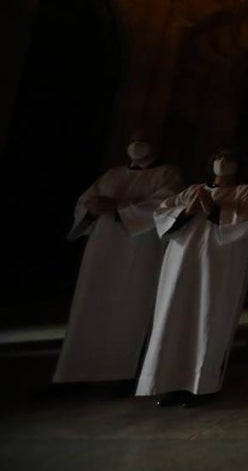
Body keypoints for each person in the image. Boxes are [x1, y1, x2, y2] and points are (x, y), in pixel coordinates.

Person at [53, 132, 183, 387]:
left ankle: (122, 372)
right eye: (133, 138)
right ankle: (75, 372)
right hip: (103, 246)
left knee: (131, 304)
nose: (137, 143)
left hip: (140, 247)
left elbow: (165, 205)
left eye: (142, 138)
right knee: (91, 302)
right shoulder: (113, 174)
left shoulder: (167, 174)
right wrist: (90, 209)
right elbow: (85, 202)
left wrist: (121, 209)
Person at [136, 148, 248, 406]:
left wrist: (213, 211)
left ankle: (202, 386)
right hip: (182, 265)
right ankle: (168, 384)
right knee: (174, 318)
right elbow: (163, 215)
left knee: (209, 319)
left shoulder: (245, 192)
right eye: (219, 156)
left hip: (219, 269)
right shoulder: (191, 190)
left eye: (230, 157)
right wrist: (188, 211)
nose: (224, 161)